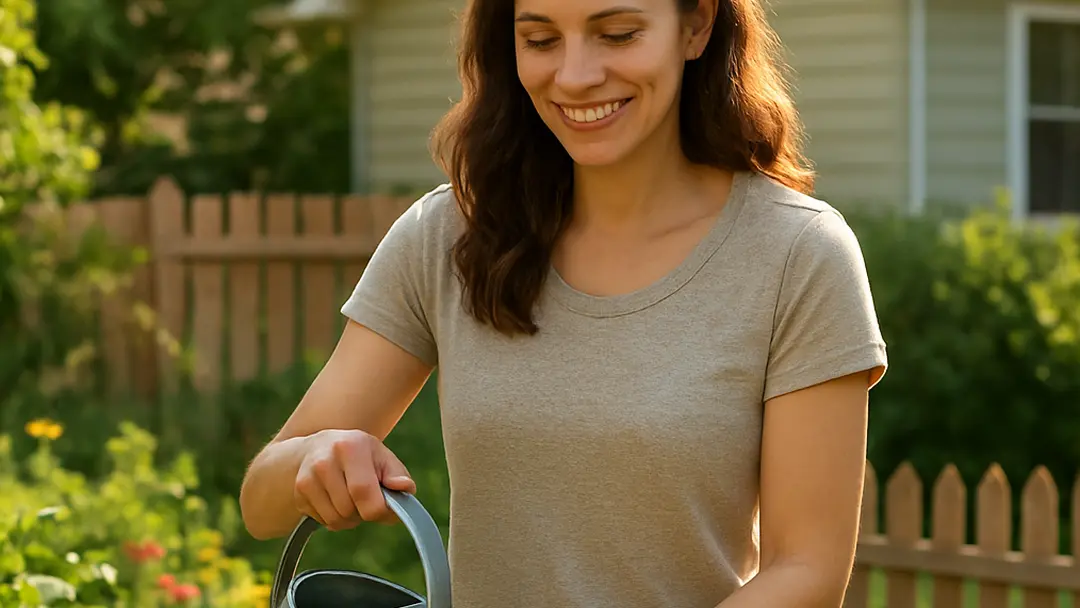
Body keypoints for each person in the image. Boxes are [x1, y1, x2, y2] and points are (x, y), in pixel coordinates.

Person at [239, 0, 888, 605]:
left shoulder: (797, 254)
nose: (575, 76)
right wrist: (317, 460)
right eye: (540, 39)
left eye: (617, 34)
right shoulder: (447, 238)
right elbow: (261, 501)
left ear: (695, 27)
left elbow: (807, 569)